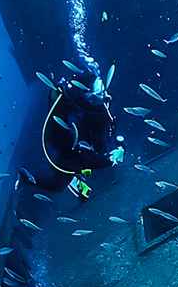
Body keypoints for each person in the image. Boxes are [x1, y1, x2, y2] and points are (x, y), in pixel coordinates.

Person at [43, 71, 123, 199]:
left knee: (97, 151)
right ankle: (27, 178)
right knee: (57, 185)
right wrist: (108, 160)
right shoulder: (74, 113)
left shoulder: (96, 108)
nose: (103, 97)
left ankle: (82, 175)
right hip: (66, 150)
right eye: (97, 95)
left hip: (82, 143)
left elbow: (108, 126)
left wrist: (116, 146)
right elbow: (78, 152)